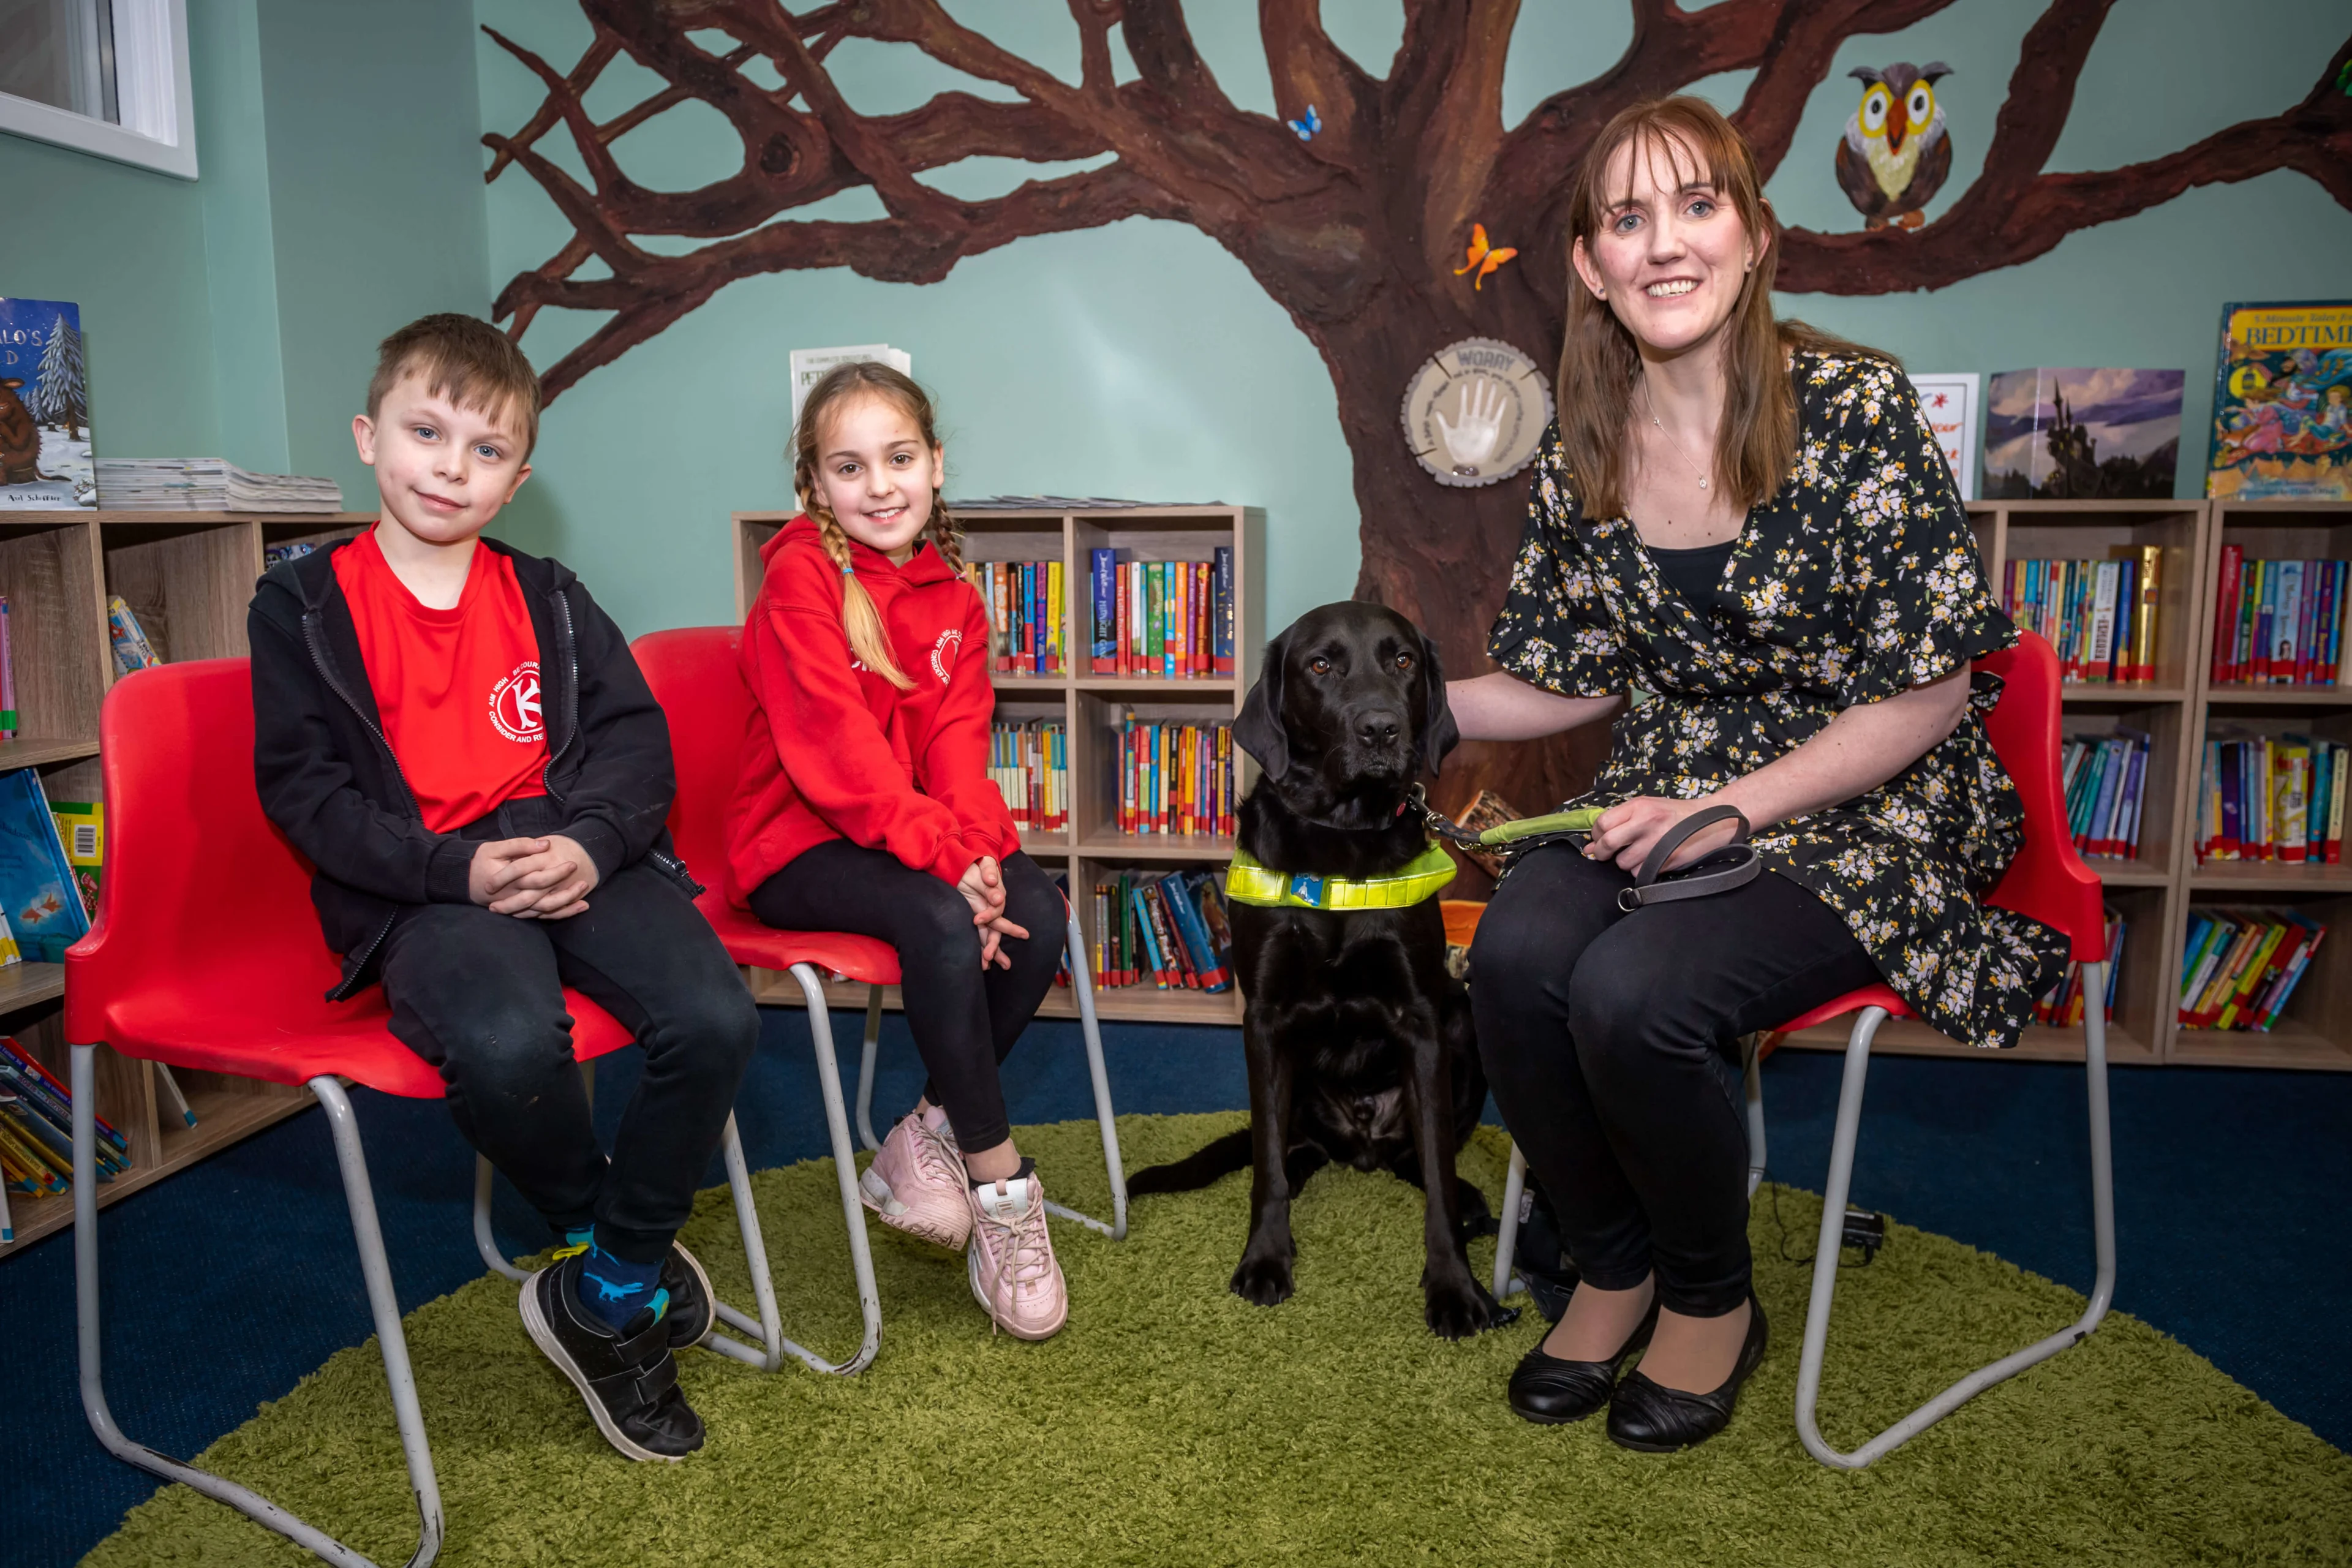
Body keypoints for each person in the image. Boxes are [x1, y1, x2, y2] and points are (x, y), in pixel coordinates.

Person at [1450, 98, 2067, 1453]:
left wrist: (1739, 803)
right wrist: (1400, 701)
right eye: (1627, 217)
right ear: (1592, 266)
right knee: (1516, 953)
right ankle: (1612, 1262)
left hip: (1871, 798)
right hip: (1667, 785)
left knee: (1632, 990)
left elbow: (1934, 684)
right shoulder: (1581, 450)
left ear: (1754, 236)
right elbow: (1575, 673)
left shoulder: (1858, 408)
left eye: (1695, 205)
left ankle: (1713, 1297)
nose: (1663, 243)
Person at [251, 314, 760, 1463]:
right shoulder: (301, 606)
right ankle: (601, 1241)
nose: (450, 466)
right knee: (509, 1042)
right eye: (425, 432)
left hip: (567, 852)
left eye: (486, 451)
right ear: (368, 437)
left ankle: (611, 1283)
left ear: (518, 477)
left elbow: (636, 745)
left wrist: (589, 840)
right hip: (423, 885)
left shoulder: (550, 593)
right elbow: (309, 797)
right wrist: (451, 868)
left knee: (717, 1015)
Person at [727, 360, 1070, 1340]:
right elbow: (835, 754)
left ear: (936, 465)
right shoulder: (800, 574)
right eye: (849, 466)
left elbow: (959, 753)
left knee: (1039, 916)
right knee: (937, 917)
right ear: (814, 486)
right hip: (793, 842)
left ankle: (922, 1134)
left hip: (900, 838)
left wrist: (980, 853)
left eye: (899, 458)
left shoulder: (957, 599)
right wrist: (942, 863)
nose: (879, 485)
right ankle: (1001, 1183)